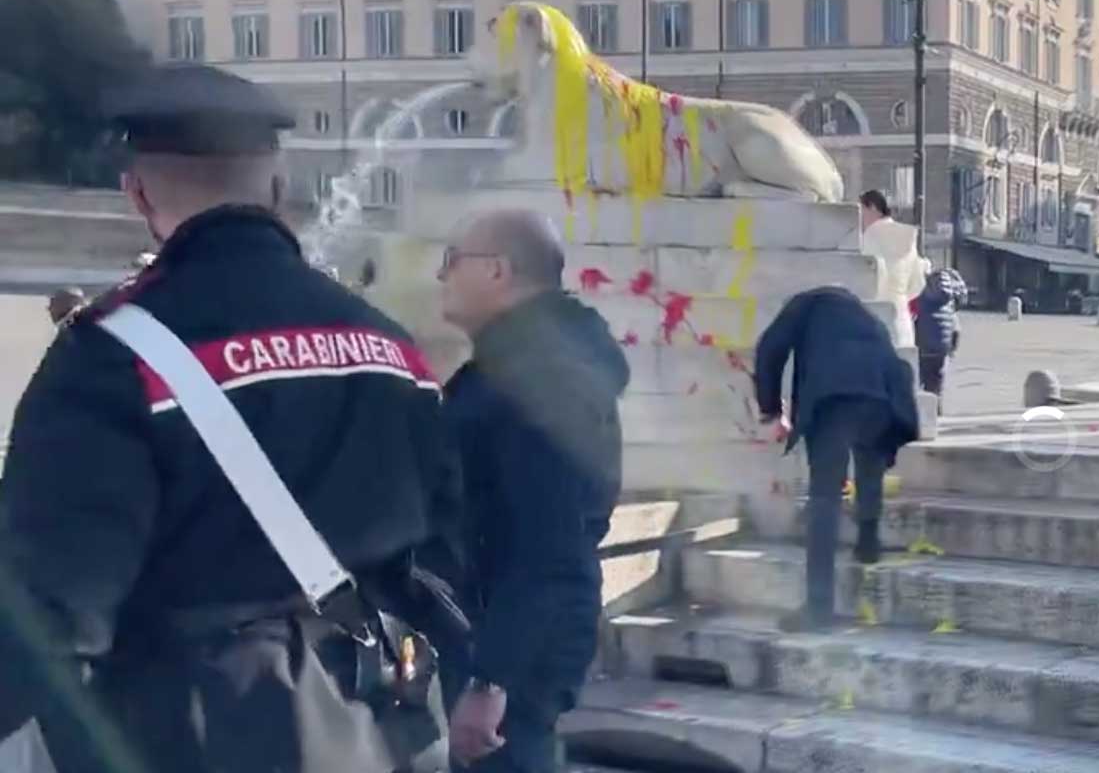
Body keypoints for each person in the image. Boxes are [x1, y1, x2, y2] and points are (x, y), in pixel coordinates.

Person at [0, 64, 463, 773]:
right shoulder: (391, 346)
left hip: (190, 730)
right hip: (371, 725)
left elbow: (50, 611)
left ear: (138, 194)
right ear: (279, 190)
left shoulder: (110, 356)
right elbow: (448, 548)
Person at [437, 209, 629, 773]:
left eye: (451, 261)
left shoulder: (537, 374)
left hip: (515, 639)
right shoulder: (529, 361)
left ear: (496, 270)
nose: (441, 276)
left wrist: (491, 679)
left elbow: (547, 539)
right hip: (514, 627)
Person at [754, 286, 918, 632]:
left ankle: (818, 608)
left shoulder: (804, 304)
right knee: (869, 460)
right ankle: (868, 542)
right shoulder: (869, 322)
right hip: (881, 399)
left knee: (824, 498)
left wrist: (770, 408)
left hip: (832, 400)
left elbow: (770, 348)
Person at [859, 190, 925, 348]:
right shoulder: (908, 238)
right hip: (901, 318)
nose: (859, 219)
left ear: (873, 208)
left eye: (861, 211)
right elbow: (918, 283)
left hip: (871, 318)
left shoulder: (867, 239)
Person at [914, 262, 968, 413]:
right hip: (941, 349)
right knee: (937, 387)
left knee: (921, 384)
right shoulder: (949, 302)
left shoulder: (920, 297)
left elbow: (912, 319)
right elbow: (956, 331)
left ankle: (924, 418)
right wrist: (951, 351)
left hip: (923, 348)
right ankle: (936, 415)